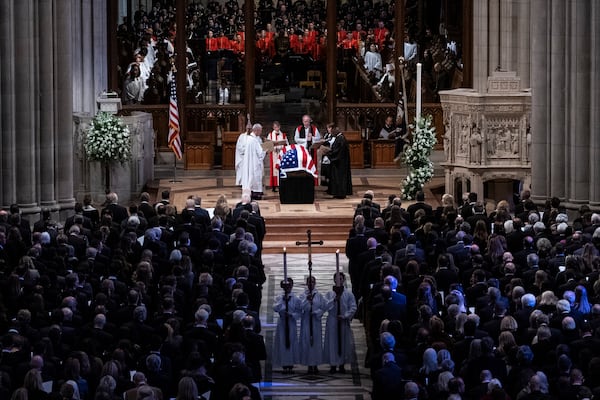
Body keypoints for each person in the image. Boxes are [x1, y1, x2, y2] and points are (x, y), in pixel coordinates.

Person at [324, 272, 357, 373]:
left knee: (343, 342)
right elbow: (325, 306)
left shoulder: (348, 293)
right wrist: (334, 300)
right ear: (334, 280)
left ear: (344, 280)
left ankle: (342, 364)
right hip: (333, 320)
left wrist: (345, 316)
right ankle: (333, 364)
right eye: (337, 279)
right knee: (332, 342)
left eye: (341, 279)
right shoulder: (330, 293)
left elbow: (353, 307)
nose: (339, 281)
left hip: (343, 320)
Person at [273, 278, 301, 374]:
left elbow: (299, 311)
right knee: (282, 341)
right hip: (282, 322)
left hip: (291, 322)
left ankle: (291, 363)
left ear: (292, 286)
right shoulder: (279, 297)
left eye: (289, 286)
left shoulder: (296, 298)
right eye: (286, 286)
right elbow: (275, 308)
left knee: (291, 341)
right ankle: (284, 363)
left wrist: (292, 315)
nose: (288, 288)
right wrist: (283, 303)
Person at [298, 276, 326, 374]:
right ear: (306, 283)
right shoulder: (302, 295)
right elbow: (300, 306)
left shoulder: (319, 295)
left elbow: (323, 308)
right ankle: (309, 365)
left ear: (315, 283)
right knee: (307, 342)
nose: (311, 284)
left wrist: (316, 312)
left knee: (316, 343)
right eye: (309, 282)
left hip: (315, 322)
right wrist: (307, 300)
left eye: (313, 282)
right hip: (306, 321)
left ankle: (316, 364)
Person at [239, 123, 266, 200]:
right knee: (255, 177)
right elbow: (260, 153)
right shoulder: (254, 140)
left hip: (249, 163)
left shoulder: (248, 139)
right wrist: (266, 150)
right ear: (256, 130)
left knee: (250, 177)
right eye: (260, 131)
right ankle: (256, 193)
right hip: (255, 163)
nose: (261, 132)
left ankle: (251, 192)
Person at [326, 126, 353, 199]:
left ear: (335, 131)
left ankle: (340, 193)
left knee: (339, 179)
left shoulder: (340, 139)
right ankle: (337, 193)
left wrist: (328, 153)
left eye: (332, 132)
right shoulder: (339, 138)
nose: (332, 134)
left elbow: (337, 152)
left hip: (340, 164)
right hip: (339, 163)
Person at [266, 121, 289, 192]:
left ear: (280, 127)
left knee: (280, 168)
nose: (277, 128)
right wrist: (273, 146)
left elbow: (287, 145)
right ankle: (274, 185)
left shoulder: (284, 135)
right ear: (273, 127)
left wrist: (282, 146)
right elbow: (267, 146)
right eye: (275, 127)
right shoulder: (270, 135)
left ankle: (281, 184)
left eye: (278, 127)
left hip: (281, 154)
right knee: (274, 170)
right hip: (274, 154)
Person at [235, 121, 252, 187]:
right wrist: (246, 150)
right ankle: (242, 183)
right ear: (246, 128)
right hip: (243, 157)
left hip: (251, 157)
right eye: (248, 128)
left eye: (250, 128)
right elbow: (239, 147)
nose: (249, 130)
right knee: (242, 169)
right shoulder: (242, 136)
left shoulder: (253, 137)